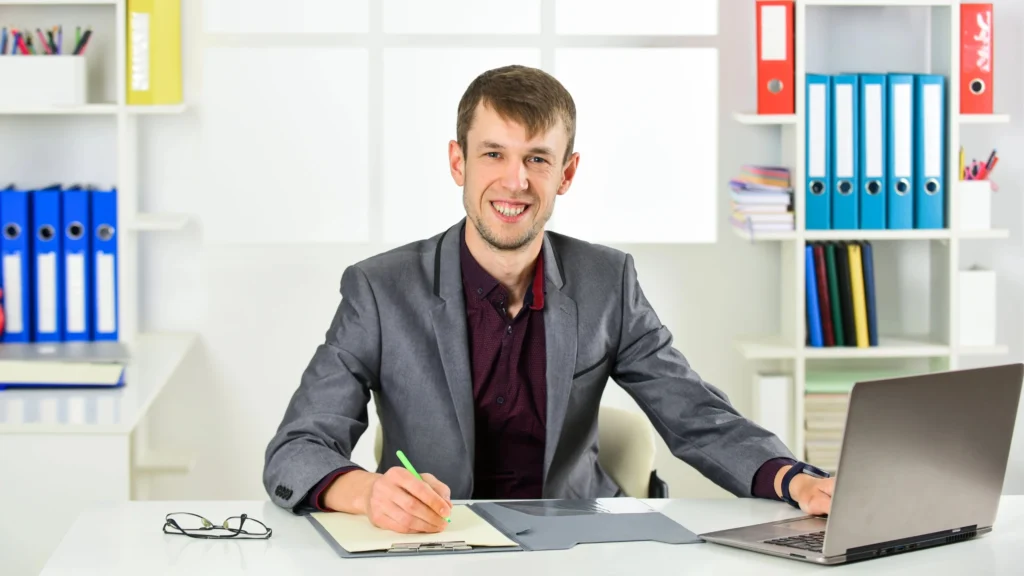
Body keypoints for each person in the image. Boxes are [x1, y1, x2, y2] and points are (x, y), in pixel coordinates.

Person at [263, 64, 835, 534]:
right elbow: (296, 447)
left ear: (566, 173)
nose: (515, 181)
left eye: (537, 158)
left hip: (577, 541)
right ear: (458, 162)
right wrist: (365, 492)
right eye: (493, 154)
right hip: (433, 541)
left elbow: (696, 415)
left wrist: (794, 479)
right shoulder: (380, 289)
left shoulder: (607, 280)